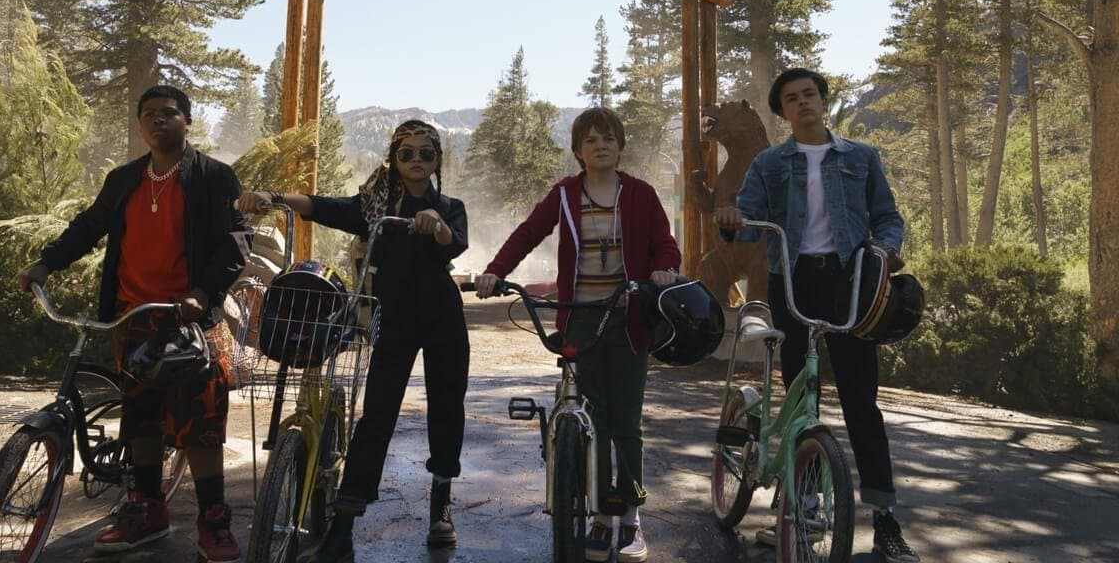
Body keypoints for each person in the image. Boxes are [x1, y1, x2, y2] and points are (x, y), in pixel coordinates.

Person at [18, 85, 250, 563]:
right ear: (141, 124)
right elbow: (88, 227)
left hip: (190, 322)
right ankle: (146, 511)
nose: (157, 120)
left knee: (201, 426)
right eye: (148, 114)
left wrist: (202, 293)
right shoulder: (123, 179)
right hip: (133, 318)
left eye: (169, 113)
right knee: (141, 419)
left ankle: (214, 521)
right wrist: (46, 263)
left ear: (187, 121)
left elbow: (236, 244)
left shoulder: (214, 177)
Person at [237, 120, 469, 563]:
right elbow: (320, 205)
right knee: (376, 417)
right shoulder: (373, 206)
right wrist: (272, 196)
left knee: (446, 407)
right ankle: (343, 528)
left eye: (426, 153)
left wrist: (435, 223)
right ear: (393, 160)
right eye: (406, 153)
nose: (416, 160)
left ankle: (441, 505)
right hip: (393, 320)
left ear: (437, 160)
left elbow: (452, 243)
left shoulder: (449, 207)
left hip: (443, 317)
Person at [714, 67, 920, 563]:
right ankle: (801, 504)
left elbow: (887, 217)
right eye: (791, 98)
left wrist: (887, 248)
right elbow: (749, 220)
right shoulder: (769, 163)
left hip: (850, 282)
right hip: (792, 281)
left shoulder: (861, 157)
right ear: (782, 111)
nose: (802, 102)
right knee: (799, 396)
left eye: (809, 94)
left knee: (861, 403)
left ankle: (885, 522)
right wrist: (732, 221)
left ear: (823, 100)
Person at [475, 107, 679, 563]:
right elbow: (529, 232)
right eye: (591, 140)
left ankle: (630, 517)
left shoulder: (641, 194)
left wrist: (665, 268)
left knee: (626, 420)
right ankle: (601, 515)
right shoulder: (565, 193)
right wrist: (495, 271)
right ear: (578, 150)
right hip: (581, 318)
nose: (600, 145)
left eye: (608, 138)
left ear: (620, 146)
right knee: (595, 419)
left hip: (629, 318)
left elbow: (664, 243)